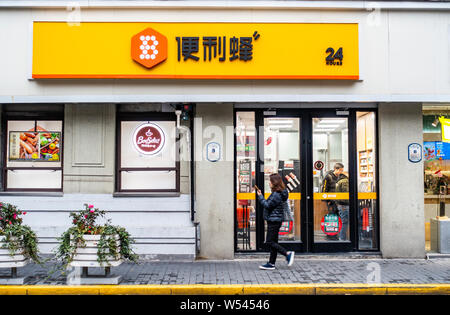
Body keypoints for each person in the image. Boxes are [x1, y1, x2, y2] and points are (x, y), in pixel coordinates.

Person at [256, 173, 295, 270]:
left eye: (270, 181)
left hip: (274, 220)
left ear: (274, 182)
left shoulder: (276, 194)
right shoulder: (280, 193)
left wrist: (260, 197)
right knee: (273, 242)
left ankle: (287, 254)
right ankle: (271, 263)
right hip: (276, 219)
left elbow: (267, 205)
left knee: (269, 241)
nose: (269, 183)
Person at [321, 163, 345, 241]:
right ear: (336, 169)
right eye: (341, 170)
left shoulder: (341, 177)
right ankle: (331, 235)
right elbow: (324, 189)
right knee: (332, 217)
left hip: (339, 201)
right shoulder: (328, 177)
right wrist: (327, 200)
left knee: (339, 217)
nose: (341, 172)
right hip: (331, 201)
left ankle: (337, 234)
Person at [335, 172, 349, 241]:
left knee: (343, 222)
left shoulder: (339, 181)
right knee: (345, 223)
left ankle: (342, 238)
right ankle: (342, 239)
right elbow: (346, 194)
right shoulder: (345, 181)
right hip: (345, 204)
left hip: (340, 204)